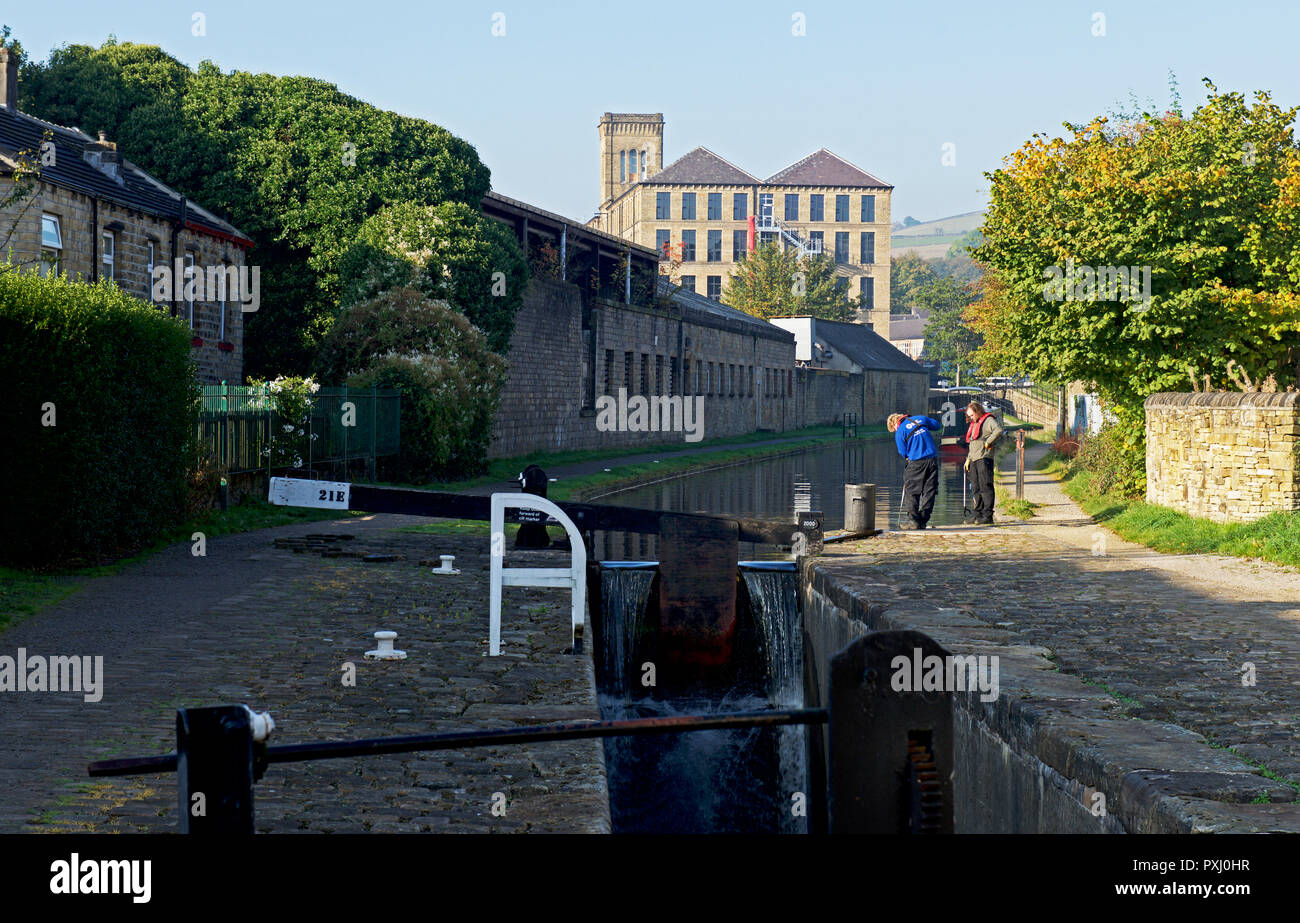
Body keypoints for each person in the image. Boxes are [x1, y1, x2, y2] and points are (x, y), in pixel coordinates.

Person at [887, 412, 940, 530]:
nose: (895, 431)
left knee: (912, 492)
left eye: (894, 430)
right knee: (929, 491)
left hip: (916, 463)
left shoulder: (900, 431)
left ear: (894, 424)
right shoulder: (920, 418)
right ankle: (923, 519)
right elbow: (936, 425)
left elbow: (902, 452)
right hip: (932, 460)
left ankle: (914, 521)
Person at [963, 401, 1004, 525]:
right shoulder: (974, 424)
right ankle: (977, 514)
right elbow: (973, 443)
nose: (970, 418)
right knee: (976, 487)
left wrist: (989, 442)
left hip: (984, 457)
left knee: (985, 486)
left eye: (972, 415)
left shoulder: (988, 420)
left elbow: (998, 430)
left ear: (978, 411)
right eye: (969, 416)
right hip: (974, 458)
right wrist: (968, 459)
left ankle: (987, 515)